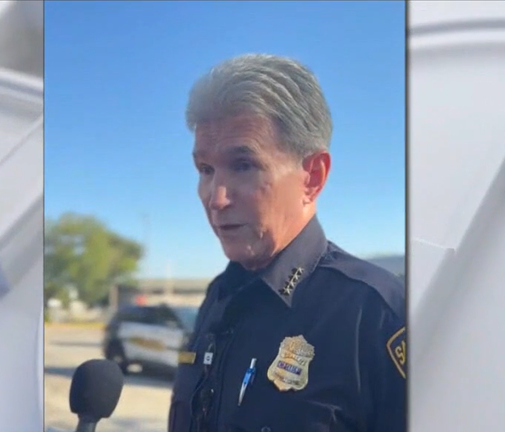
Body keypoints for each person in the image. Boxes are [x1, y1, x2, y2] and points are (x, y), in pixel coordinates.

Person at [168, 53, 405, 432]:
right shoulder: (219, 295)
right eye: (205, 169)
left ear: (313, 176)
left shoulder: (376, 314)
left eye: (244, 165)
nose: (216, 198)